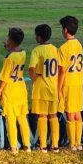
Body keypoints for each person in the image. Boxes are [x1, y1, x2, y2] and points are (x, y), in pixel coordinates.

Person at [0, 28, 30, 153]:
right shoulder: (23, 53)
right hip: (20, 89)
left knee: (11, 119)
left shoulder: (9, 58)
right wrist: (10, 48)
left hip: (10, 90)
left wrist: (0, 91)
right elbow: (15, 54)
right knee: (22, 118)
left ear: (10, 40)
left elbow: (5, 77)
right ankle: (27, 145)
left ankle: (13, 147)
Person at [29, 24, 60, 152]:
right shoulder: (55, 50)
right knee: (53, 116)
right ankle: (55, 145)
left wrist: (36, 78)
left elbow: (31, 69)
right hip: (53, 87)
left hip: (41, 88)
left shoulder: (37, 50)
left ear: (39, 37)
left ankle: (43, 145)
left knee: (42, 116)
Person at [57, 16, 83, 151]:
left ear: (65, 30)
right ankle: (78, 143)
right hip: (78, 82)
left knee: (69, 113)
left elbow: (62, 70)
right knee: (78, 111)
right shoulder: (79, 44)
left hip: (68, 83)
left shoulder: (63, 48)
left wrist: (59, 88)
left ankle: (72, 144)